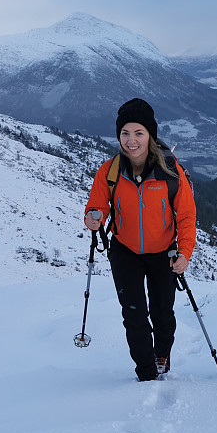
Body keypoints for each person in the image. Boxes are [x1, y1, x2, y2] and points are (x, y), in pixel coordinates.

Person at [84, 98, 197, 381]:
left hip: (164, 253)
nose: (131, 141)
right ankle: (146, 372)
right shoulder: (109, 172)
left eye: (139, 133)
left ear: (150, 135)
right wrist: (92, 217)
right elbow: (97, 205)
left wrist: (184, 253)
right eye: (125, 133)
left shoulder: (171, 173)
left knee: (162, 313)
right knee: (134, 316)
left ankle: (161, 353)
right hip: (125, 251)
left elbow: (185, 217)